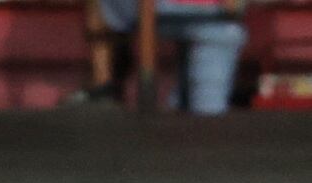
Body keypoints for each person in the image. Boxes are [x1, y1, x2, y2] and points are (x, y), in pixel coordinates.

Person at [65, 0, 246, 115]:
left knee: (207, 121)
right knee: (206, 124)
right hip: (210, 20)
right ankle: (104, 84)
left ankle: (104, 84)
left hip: (216, 22)